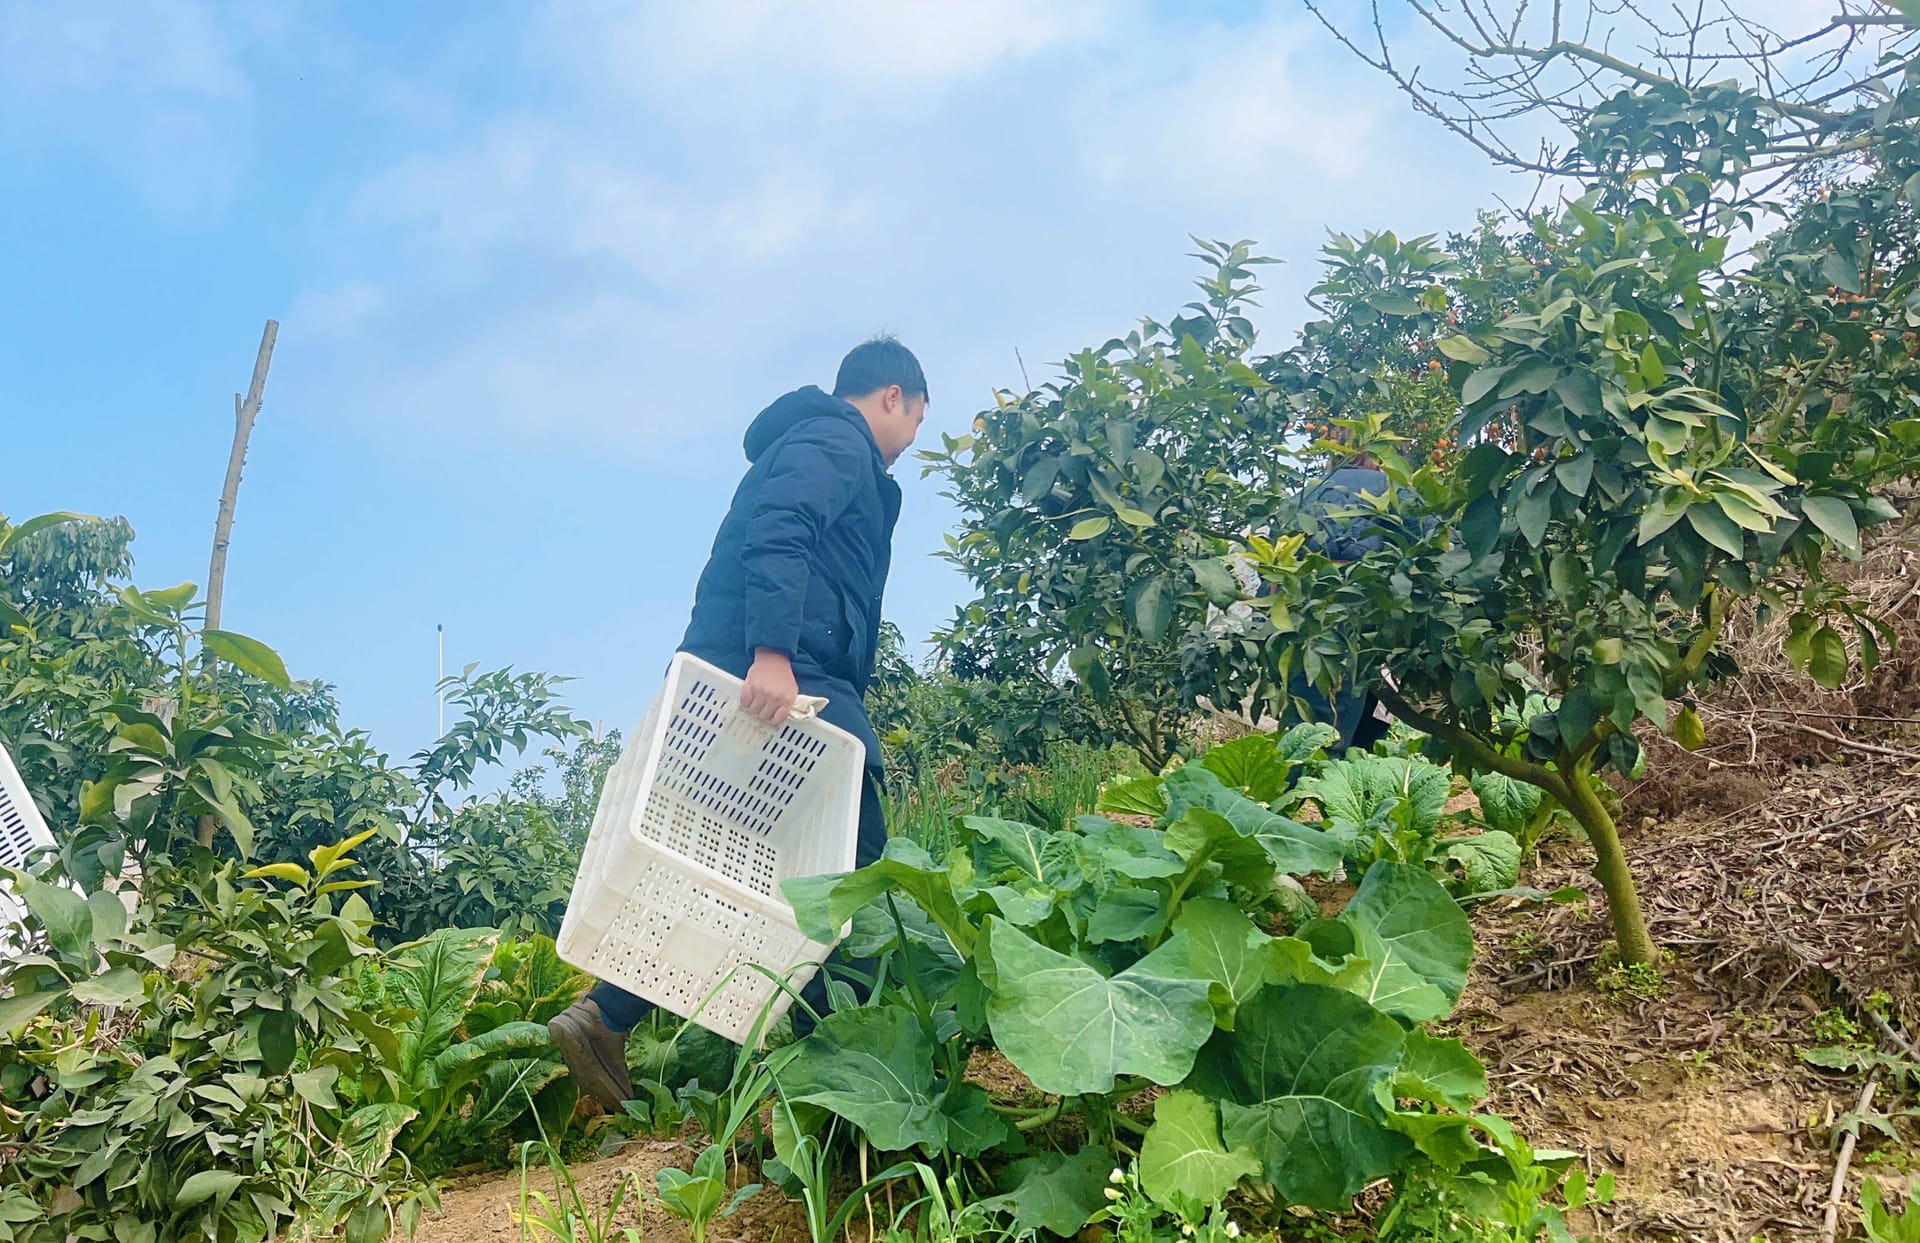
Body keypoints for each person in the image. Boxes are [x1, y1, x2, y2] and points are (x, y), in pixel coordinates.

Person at [548, 337, 928, 1111]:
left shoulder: (822, 445)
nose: (914, 437)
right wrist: (773, 654)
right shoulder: (835, 439)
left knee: (722, 864)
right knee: (854, 855)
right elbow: (781, 528)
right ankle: (848, 1061)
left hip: (759, 674)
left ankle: (606, 1017)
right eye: (919, 417)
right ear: (893, 396)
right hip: (784, 681)